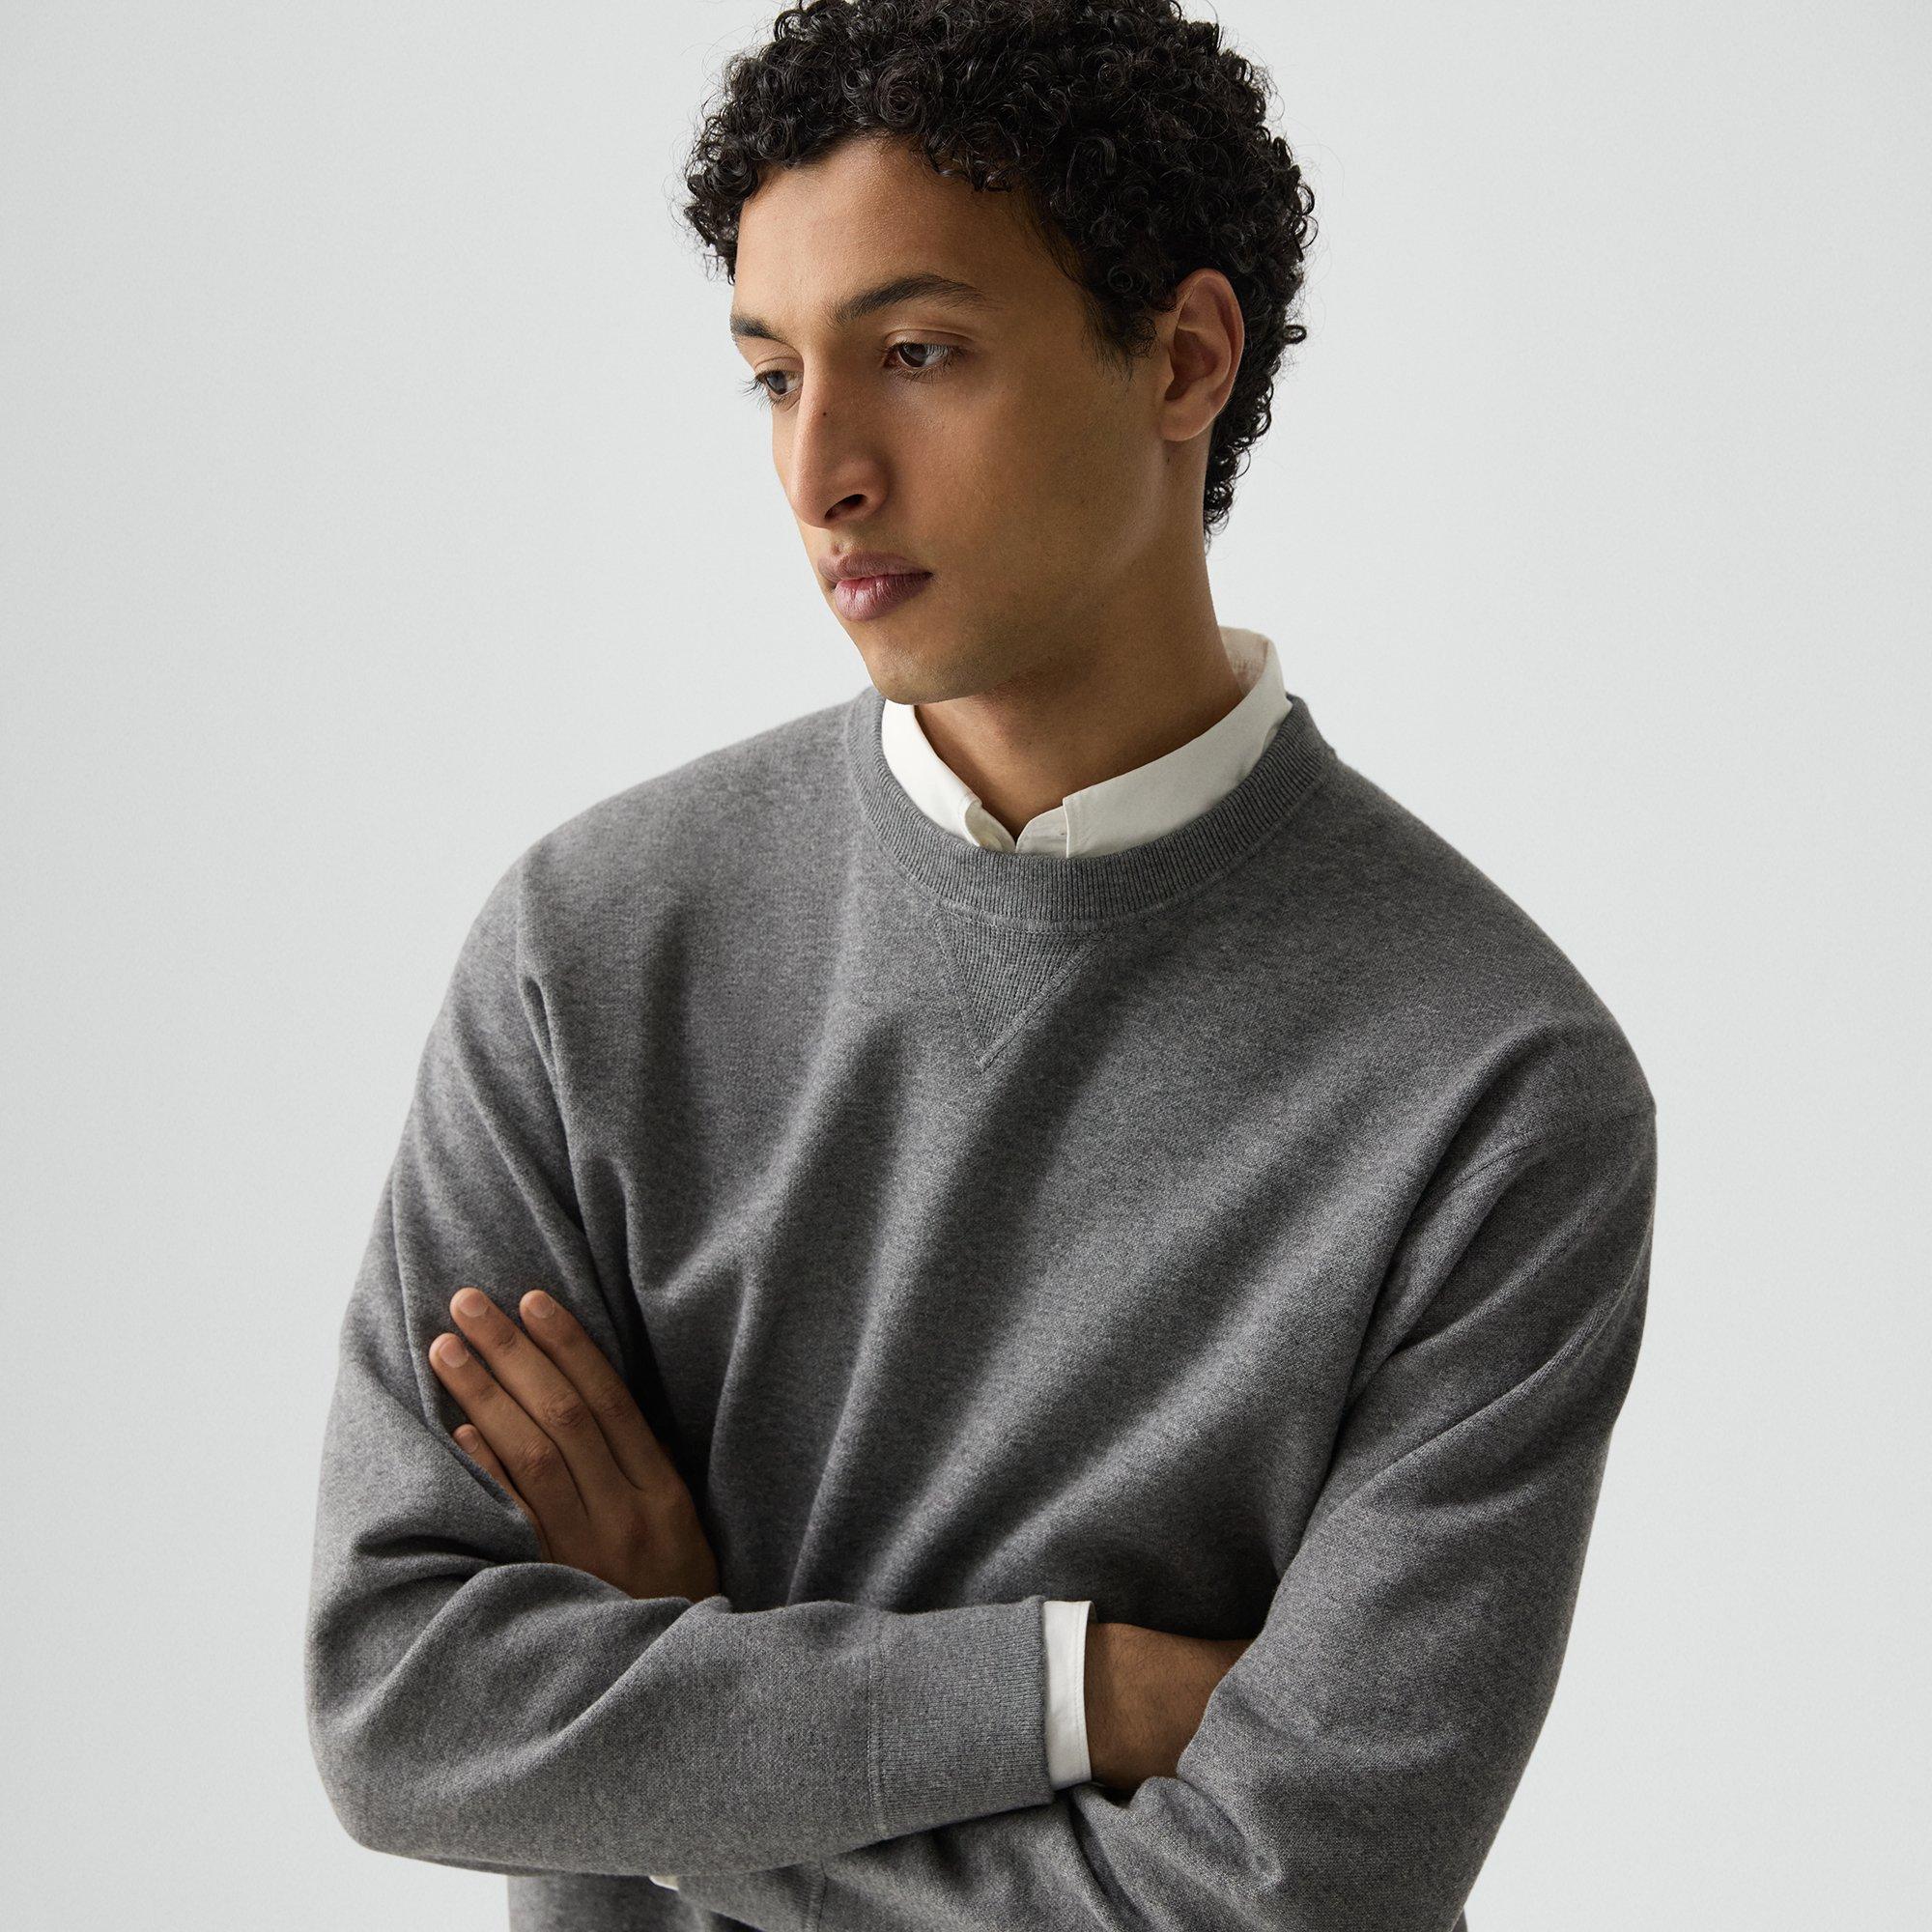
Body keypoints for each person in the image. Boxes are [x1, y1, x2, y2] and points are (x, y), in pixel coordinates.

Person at [304, 3, 1657, 1927]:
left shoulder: (1493, 1089)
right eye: (774, 375)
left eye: (916, 354)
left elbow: (1279, 1903)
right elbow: (404, 1705)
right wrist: (1080, 1691)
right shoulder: (587, 954)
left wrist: (685, 1718)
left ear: (1183, 358)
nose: (822, 471)